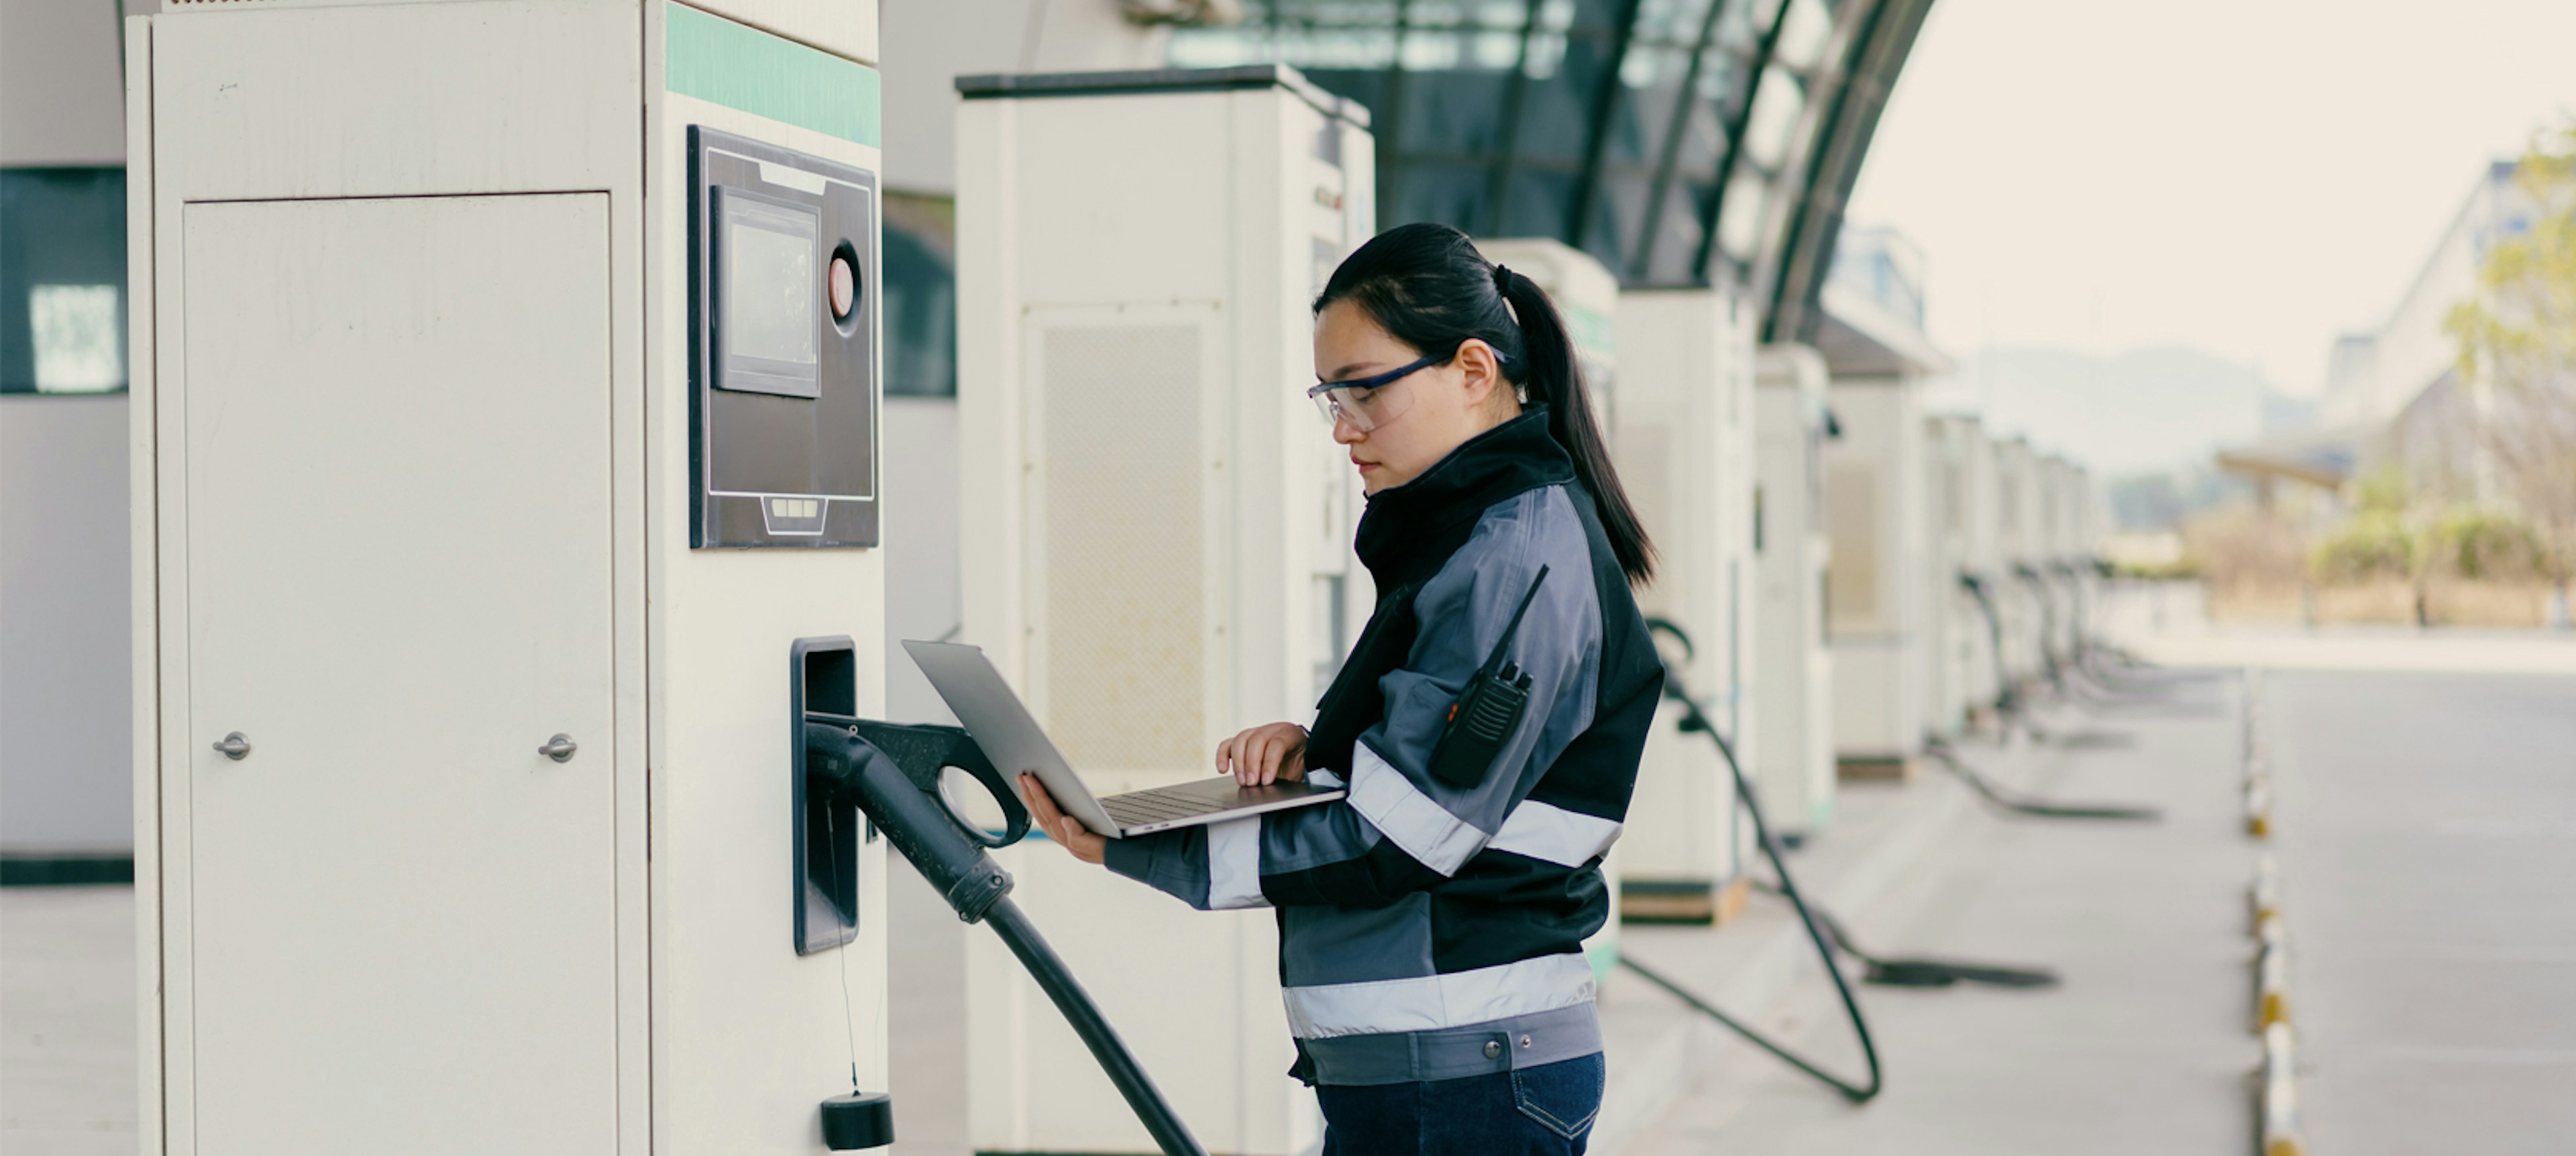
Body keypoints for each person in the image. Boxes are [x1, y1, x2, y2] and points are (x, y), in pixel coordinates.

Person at [1016, 221, 1662, 1155]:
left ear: (1474, 370)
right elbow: (1439, 778)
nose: (1345, 425)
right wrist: (1321, 746)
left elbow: (1400, 835)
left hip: (1464, 1076)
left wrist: (1133, 846)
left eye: (1365, 389)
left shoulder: (1511, 559)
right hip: (1435, 1071)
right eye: (1330, 396)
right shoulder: (1473, 538)